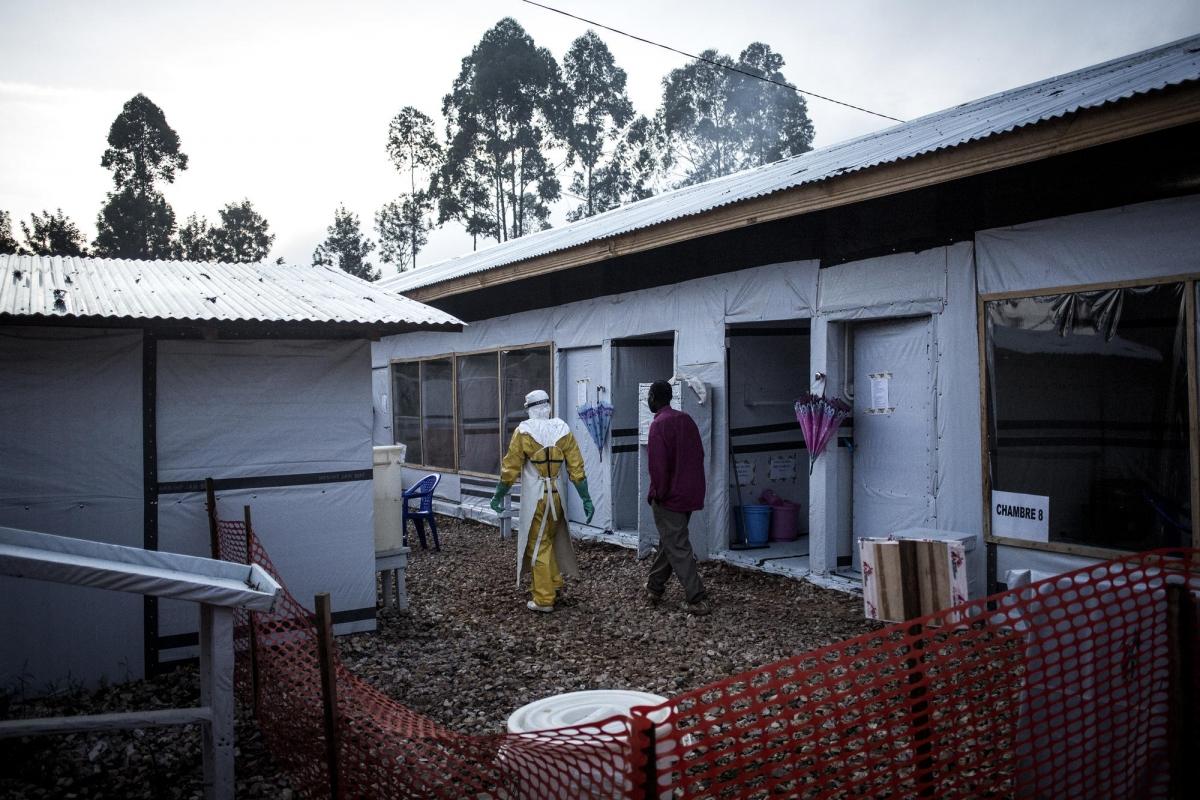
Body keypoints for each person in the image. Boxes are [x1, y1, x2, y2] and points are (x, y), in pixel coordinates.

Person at [491, 389, 594, 612]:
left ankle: (543, 598)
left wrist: (498, 495)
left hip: (537, 497)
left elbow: (510, 468)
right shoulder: (562, 429)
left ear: (530, 409)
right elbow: (577, 467)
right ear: (547, 407)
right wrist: (586, 499)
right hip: (557, 496)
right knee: (548, 538)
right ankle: (554, 582)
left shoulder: (524, 431)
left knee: (537, 544)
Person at [645, 379, 711, 615]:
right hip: (690, 493)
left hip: (669, 496)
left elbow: (658, 467)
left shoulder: (659, 425)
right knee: (670, 540)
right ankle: (654, 587)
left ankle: (697, 598)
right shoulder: (686, 420)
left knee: (677, 545)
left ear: (653, 397)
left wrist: (656, 493)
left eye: (649, 397)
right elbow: (699, 454)